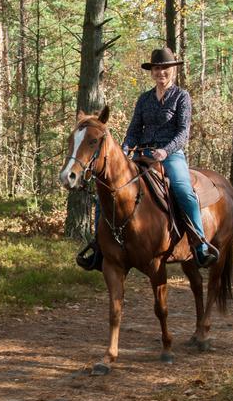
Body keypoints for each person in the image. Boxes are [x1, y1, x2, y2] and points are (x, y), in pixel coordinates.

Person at [77, 47, 217, 271]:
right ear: (151, 72)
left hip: (170, 155)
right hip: (142, 154)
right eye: (156, 69)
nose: (161, 72)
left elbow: (183, 132)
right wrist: (125, 147)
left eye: (165, 69)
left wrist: (166, 150)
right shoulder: (144, 99)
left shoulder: (182, 97)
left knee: (183, 190)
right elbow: (134, 129)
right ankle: (98, 247)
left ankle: (199, 244)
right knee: (105, 191)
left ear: (172, 71)